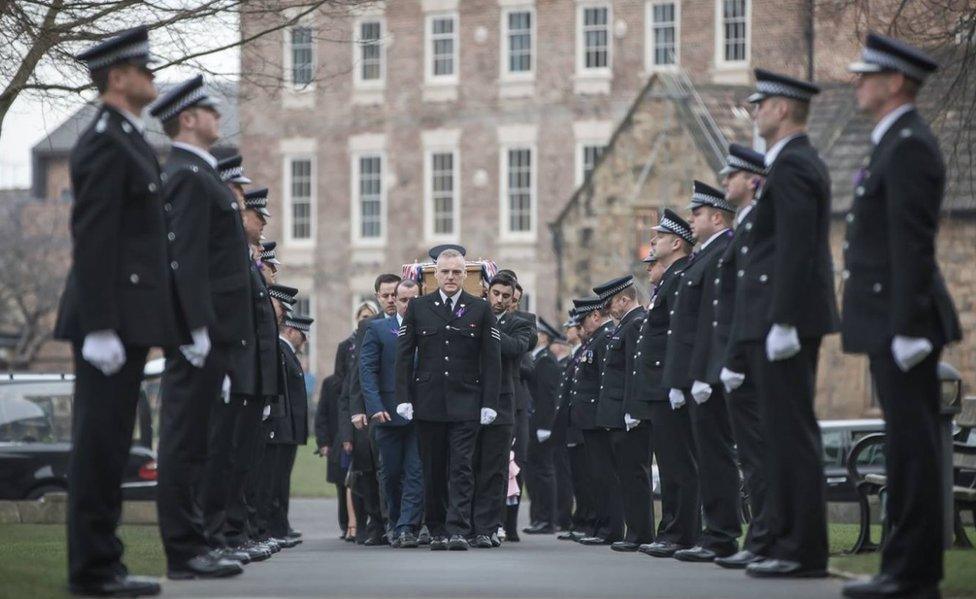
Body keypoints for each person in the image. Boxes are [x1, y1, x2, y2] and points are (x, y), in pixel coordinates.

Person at [55, 26, 180, 598]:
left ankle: (105, 563)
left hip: (126, 318)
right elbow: (96, 236)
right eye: (146, 70)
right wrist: (101, 323)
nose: (153, 78)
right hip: (108, 319)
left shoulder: (129, 136)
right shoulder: (106, 140)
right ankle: (92, 571)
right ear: (118, 78)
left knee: (108, 443)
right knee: (99, 443)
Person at [841, 33, 962, 599]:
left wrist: (912, 324)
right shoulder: (891, 141)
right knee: (903, 447)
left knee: (913, 450)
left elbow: (912, 242)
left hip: (904, 320)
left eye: (867, 75)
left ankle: (914, 576)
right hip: (888, 317)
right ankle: (900, 567)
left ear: (894, 83)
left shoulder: (909, 143)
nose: (857, 82)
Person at [734, 68, 839, 579]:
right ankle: (785, 541)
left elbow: (796, 249)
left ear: (780, 109)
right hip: (774, 321)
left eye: (760, 105)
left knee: (792, 436)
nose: (754, 114)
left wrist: (785, 320)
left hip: (787, 322)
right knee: (780, 437)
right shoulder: (786, 165)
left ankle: (804, 550)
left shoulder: (796, 164)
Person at [151, 74, 252, 580]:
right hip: (202, 333)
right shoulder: (189, 175)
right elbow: (184, 258)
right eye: (208, 110)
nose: (217, 116)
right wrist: (194, 330)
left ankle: (195, 544)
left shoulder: (201, 173)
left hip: (216, 332)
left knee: (197, 443)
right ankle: (185, 550)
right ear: (188, 119)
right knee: (185, 443)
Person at [395, 247, 502, 551]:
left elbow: (491, 360)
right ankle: (437, 527)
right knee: (433, 467)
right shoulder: (419, 307)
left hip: (466, 401)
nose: (451, 277)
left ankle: (458, 528)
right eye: (445, 272)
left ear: (465, 274)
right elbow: (404, 355)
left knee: (462, 467)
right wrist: (403, 396)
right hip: (429, 401)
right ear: (435, 274)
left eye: (456, 272)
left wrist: (489, 402)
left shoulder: (480, 309)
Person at [663, 181, 742, 562]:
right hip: (696, 374)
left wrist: (706, 374)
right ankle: (715, 533)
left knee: (716, 457)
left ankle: (723, 535)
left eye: (696, 214)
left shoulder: (724, 253)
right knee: (708, 458)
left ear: (716, 217)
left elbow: (716, 321)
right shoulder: (704, 257)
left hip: (709, 376)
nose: (691, 220)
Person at [706, 144, 773, 570]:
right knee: (751, 454)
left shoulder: (755, 222)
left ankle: (767, 538)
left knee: (761, 453)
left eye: (732, 175)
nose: (724, 179)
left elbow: (752, 292)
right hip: (739, 352)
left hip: (755, 348)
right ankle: (763, 538)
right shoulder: (746, 225)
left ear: (752, 181)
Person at [634, 210, 699, 559]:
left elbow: (678, 334)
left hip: (670, 382)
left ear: (676, 243)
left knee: (679, 463)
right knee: (671, 463)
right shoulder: (670, 279)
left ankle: (681, 532)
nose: (652, 241)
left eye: (658, 237)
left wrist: (676, 380)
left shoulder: (680, 276)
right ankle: (671, 529)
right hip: (660, 384)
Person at [471, 274, 536, 548]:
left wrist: (487, 329)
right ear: (488, 293)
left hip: (502, 404)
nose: (499, 300)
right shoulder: (473, 317)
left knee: (496, 469)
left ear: (513, 300)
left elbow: (516, 348)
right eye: (495, 294)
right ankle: (467, 524)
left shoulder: (521, 324)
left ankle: (489, 526)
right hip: (471, 402)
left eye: (505, 296)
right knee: (468, 467)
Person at [360, 278, 424, 549]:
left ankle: (406, 526)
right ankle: (394, 521)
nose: (408, 305)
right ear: (394, 301)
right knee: (390, 473)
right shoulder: (377, 329)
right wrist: (374, 407)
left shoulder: (428, 328)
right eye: (404, 299)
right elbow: (367, 371)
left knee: (415, 472)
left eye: (413, 300)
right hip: (387, 414)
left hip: (420, 415)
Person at [591, 275, 652, 553]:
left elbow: (633, 372)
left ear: (624, 299)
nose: (607, 309)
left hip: (628, 414)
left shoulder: (635, 323)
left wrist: (632, 409)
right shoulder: (626, 325)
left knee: (634, 475)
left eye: (611, 303)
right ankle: (635, 531)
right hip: (618, 414)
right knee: (627, 475)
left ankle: (640, 532)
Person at [346, 275, 400, 545]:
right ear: (378, 296)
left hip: (403, 406)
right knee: (380, 469)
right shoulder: (369, 326)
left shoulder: (409, 320)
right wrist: (358, 409)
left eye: (394, 294)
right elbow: (358, 372)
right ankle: (380, 523)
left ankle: (400, 522)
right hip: (377, 408)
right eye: (385, 295)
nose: (391, 300)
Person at [569, 296, 621, 546]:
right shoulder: (596, 339)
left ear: (596, 316)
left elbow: (604, 381)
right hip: (589, 420)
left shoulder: (604, 338)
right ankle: (600, 526)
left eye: (583, 320)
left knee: (605, 476)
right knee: (596, 476)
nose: (581, 326)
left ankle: (610, 528)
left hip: (597, 419)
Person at [264, 313, 314, 542]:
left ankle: (281, 525)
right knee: (274, 481)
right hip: (281, 427)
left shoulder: (288, 353)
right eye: (302, 336)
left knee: (282, 480)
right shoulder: (282, 351)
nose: (304, 342)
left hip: (289, 429)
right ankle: (275, 527)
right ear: (292, 331)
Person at [523, 317, 564, 535]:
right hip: (534, 423)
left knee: (544, 472)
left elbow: (549, 396)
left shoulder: (546, 360)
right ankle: (538, 517)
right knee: (534, 473)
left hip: (542, 425)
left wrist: (545, 425)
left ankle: (547, 519)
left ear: (544, 337)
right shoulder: (537, 358)